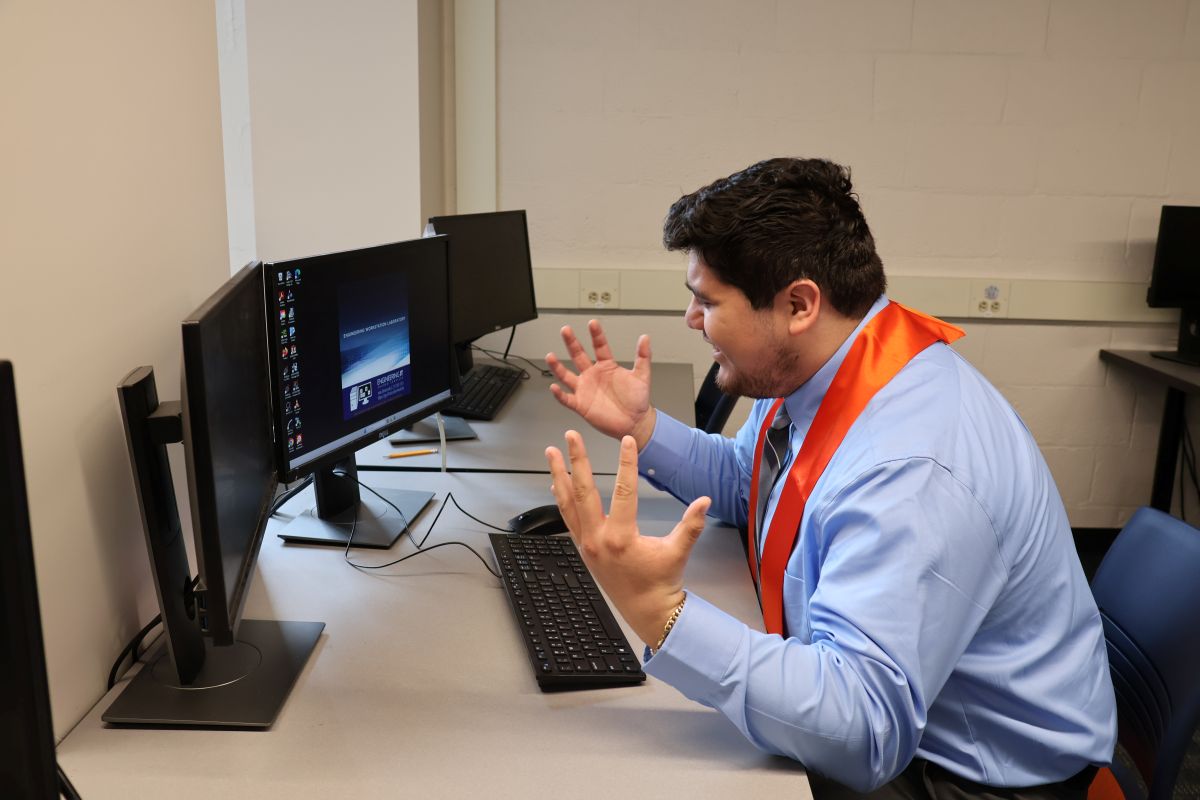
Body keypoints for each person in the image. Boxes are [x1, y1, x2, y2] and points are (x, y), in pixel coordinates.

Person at [543, 157, 1116, 799]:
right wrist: (644, 428)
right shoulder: (825, 365)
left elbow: (862, 729)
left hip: (967, 777)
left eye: (708, 301)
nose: (692, 319)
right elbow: (754, 485)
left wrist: (660, 613)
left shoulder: (909, 470)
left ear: (798, 304)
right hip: (901, 721)